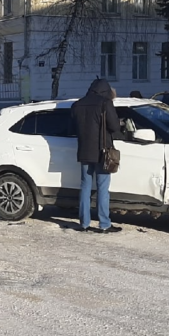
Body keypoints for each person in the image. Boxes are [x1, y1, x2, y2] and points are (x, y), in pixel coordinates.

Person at [71, 79, 123, 233]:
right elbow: (114, 126)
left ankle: (84, 223)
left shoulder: (78, 104)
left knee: (85, 186)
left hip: (84, 151)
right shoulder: (105, 103)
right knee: (102, 188)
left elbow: (72, 128)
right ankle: (104, 223)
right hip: (102, 151)